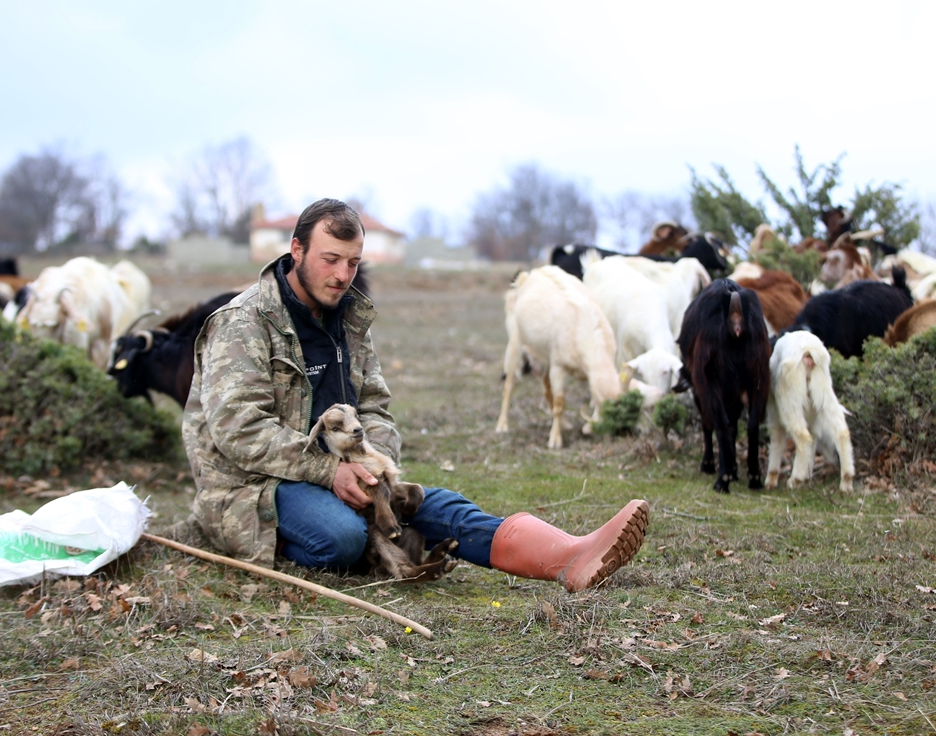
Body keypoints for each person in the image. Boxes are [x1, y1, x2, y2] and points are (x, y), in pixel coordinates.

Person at [181, 198, 649, 592]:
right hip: (254, 486)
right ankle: (290, 542)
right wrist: (329, 472)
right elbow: (238, 429)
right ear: (296, 250)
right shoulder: (242, 323)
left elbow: (374, 408)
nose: (343, 275)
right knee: (343, 536)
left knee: (435, 505)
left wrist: (374, 467)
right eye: (331, 259)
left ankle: (569, 556)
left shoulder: (347, 320)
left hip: (342, 474)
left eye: (353, 263)